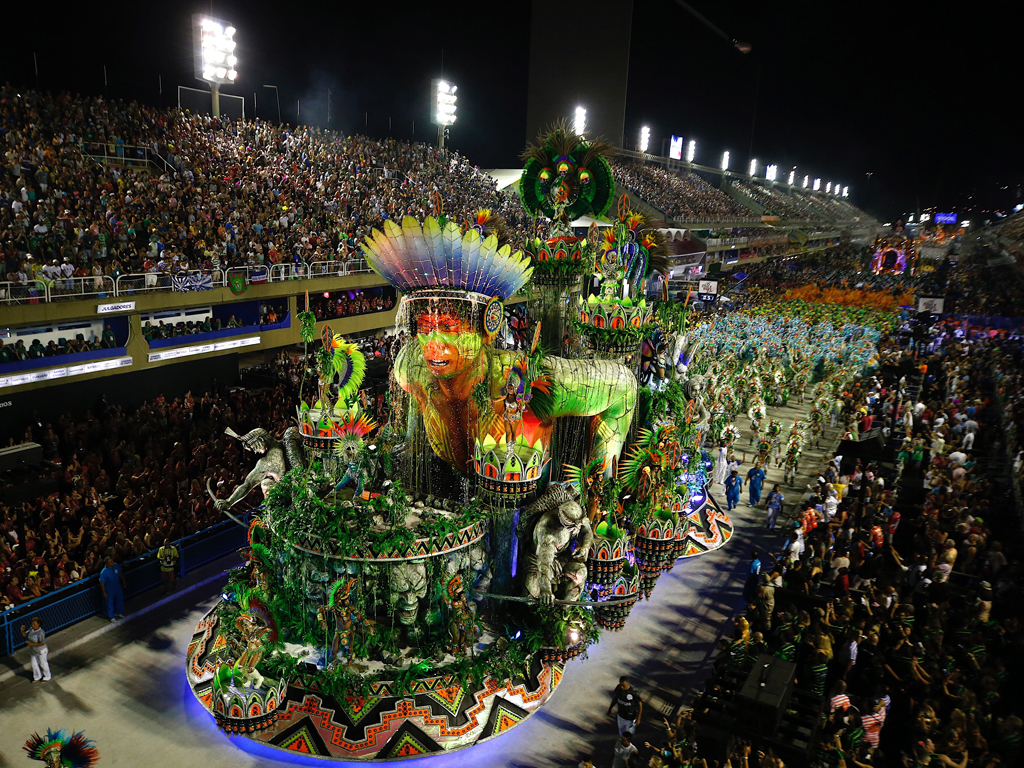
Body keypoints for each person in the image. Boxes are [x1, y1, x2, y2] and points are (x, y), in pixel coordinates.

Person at [20, 616, 51, 682]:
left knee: (43, 663)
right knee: (33, 664)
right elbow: (25, 635)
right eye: (32, 624)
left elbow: (42, 643)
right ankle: (37, 676)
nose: (32, 625)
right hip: (34, 650)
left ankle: (47, 676)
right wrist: (22, 630)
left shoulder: (41, 632)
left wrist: (32, 644)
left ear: (38, 624)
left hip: (41, 650)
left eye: (34, 624)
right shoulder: (31, 629)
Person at [99, 556, 126, 622]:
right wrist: (104, 592)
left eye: (112, 561)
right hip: (109, 589)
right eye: (110, 562)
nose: (112, 563)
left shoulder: (116, 566)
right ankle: (111, 616)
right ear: (107, 564)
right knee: (109, 602)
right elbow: (102, 583)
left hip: (117, 586)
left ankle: (119, 613)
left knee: (120, 598)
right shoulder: (103, 572)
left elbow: (120, 573)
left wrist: (124, 580)